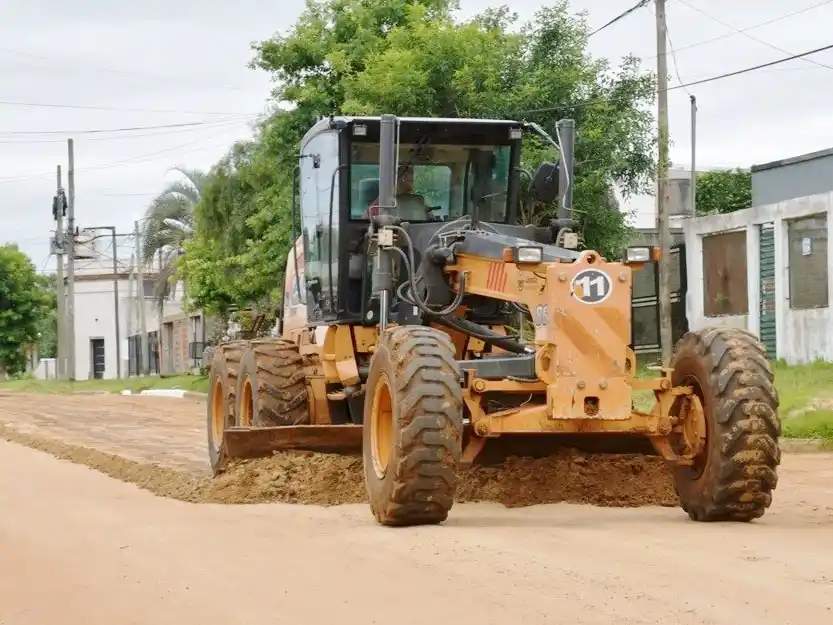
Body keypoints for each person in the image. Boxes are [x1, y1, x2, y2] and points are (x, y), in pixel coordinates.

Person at [362, 165, 432, 221]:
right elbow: (367, 225)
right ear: (404, 178)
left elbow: (431, 223)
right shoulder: (380, 204)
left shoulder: (419, 202)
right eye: (411, 179)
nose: (413, 182)